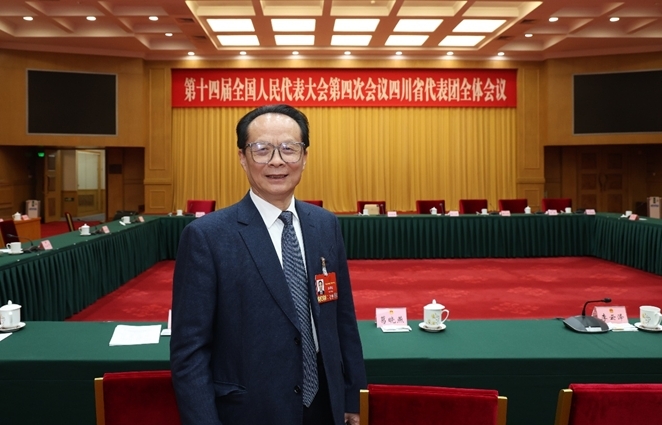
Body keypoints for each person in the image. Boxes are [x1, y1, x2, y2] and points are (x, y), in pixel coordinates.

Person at [170, 104, 367, 425]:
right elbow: (189, 351)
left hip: (324, 405)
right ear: (242, 157)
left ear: (304, 156)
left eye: (289, 148)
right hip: (251, 410)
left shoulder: (325, 224)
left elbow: (341, 318)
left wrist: (352, 396)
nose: (277, 161)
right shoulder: (206, 237)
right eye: (262, 149)